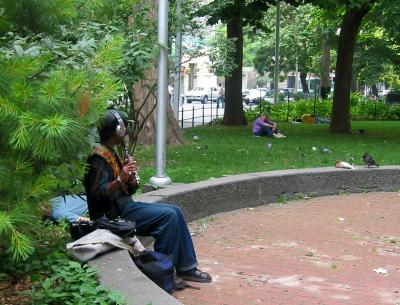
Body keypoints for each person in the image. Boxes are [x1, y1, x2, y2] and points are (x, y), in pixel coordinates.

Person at [84, 109, 212, 284]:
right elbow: (97, 195)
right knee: (168, 217)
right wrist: (120, 178)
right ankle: (164, 271)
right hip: (112, 216)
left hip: (125, 207)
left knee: (175, 210)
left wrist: (129, 180)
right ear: (118, 130)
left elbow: (126, 190)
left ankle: (186, 267)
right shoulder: (97, 158)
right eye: (124, 129)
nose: (126, 133)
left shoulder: (112, 152)